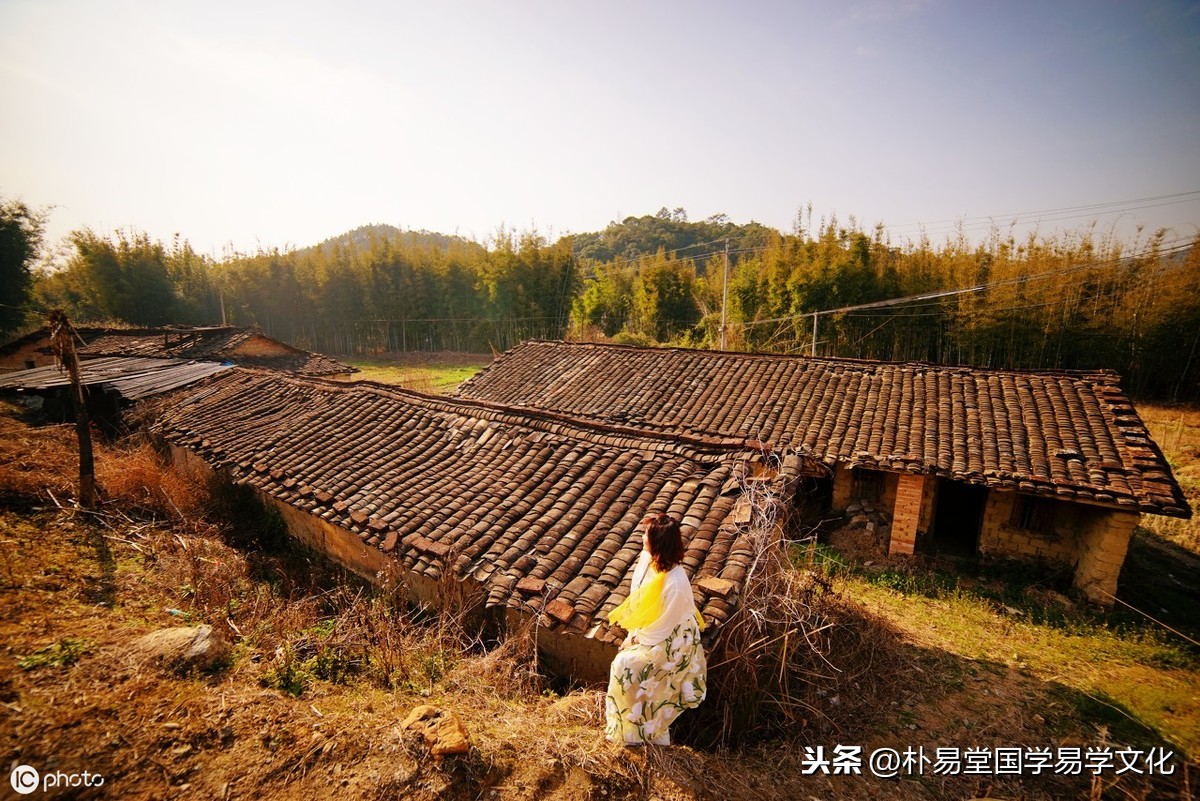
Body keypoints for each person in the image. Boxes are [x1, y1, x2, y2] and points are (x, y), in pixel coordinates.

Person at [605, 513, 707, 745]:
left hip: (673, 638)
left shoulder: (677, 583)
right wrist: (634, 631)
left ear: (657, 543)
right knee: (624, 666)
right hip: (650, 629)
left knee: (627, 666)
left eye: (646, 535)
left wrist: (634, 639)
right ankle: (627, 727)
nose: (642, 539)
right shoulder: (647, 560)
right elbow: (637, 594)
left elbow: (663, 627)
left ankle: (645, 730)